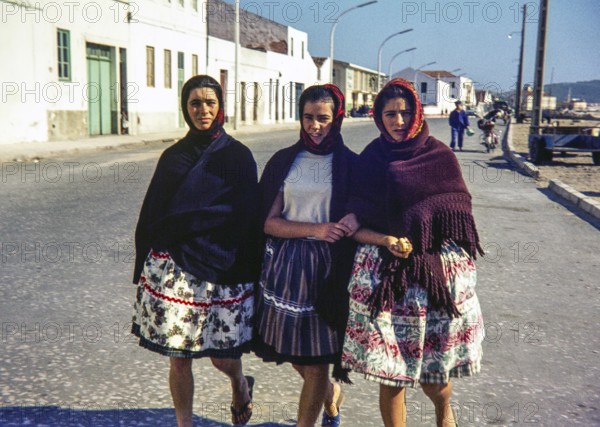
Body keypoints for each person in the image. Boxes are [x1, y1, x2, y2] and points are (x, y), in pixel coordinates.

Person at [342, 78, 485, 427]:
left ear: (418, 113)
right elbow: (355, 225)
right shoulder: (370, 160)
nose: (398, 120)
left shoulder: (440, 156)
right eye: (390, 113)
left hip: (433, 280)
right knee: (390, 374)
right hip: (384, 281)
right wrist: (385, 240)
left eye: (405, 113)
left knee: (433, 380)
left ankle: (443, 413)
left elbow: (458, 220)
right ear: (379, 116)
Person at [131, 75, 260, 427]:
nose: (203, 110)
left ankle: (239, 385)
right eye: (195, 104)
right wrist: (143, 263)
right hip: (176, 268)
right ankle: (184, 422)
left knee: (222, 357)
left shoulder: (238, 156)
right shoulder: (173, 157)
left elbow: (249, 217)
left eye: (210, 103)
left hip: (222, 268)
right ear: (185, 108)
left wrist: (251, 270)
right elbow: (153, 212)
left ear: (221, 107)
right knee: (179, 356)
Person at [254, 84, 359, 427]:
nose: (315, 126)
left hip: (331, 270)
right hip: (286, 269)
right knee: (293, 353)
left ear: (337, 118)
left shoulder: (351, 166)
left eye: (324, 119)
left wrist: (356, 218)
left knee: (316, 360)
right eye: (309, 117)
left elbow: (372, 209)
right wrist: (315, 229)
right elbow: (268, 223)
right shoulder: (286, 161)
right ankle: (330, 395)